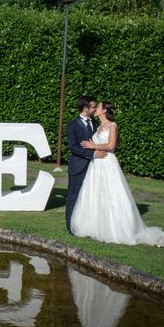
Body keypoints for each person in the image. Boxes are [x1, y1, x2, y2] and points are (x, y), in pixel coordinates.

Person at [70, 101, 164, 249]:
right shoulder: (97, 127)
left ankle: (117, 228)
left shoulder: (113, 126)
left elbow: (111, 145)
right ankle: (95, 226)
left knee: (112, 194)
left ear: (104, 111)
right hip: (96, 165)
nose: (96, 109)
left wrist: (94, 146)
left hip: (107, 163)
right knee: (96, 194)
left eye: (98, 107)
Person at [65, 96, 106, 234]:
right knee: (73, 197)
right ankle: (71, 228)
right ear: (85, 109)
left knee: (92, 198)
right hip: (78, 166)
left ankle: (88, 227)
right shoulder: (72, 125)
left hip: (96, 168)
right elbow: (73, 147)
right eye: (93, 107)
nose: (95, 109)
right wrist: (93, 154)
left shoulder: (97, 125)